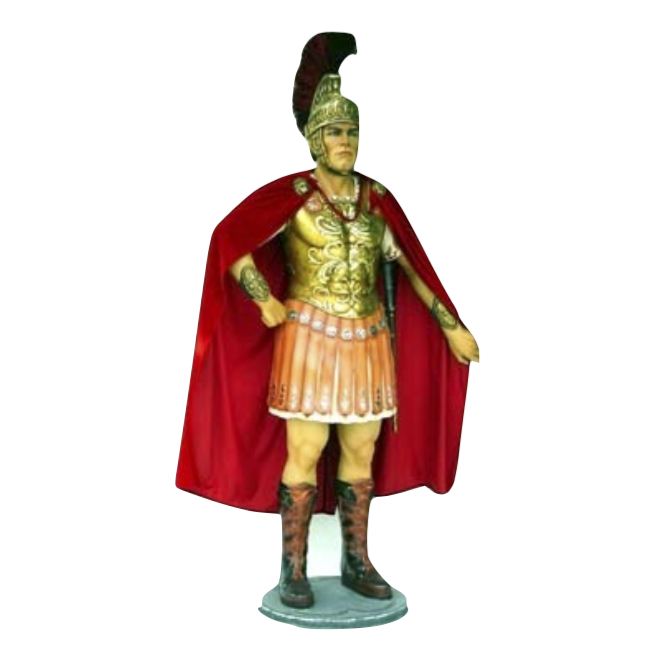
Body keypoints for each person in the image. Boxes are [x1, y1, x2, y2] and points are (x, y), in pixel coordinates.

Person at [176, 33, 478, 610]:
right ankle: (293, 569)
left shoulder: (377, 198)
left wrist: (449, 324)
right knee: (306, 448)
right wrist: (264, 299)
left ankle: (356, 562)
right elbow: (230, 241)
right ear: (316, 138)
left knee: (362, 452)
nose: (346, 141)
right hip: (309, 339)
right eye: (336, 131)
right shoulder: (291, 196)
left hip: (369, 338)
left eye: (352, 132)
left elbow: (412, 267)